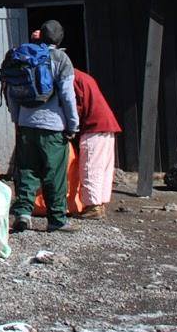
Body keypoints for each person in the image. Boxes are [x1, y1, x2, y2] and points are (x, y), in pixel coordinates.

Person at [8, 19, 78, 233]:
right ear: (59, 38)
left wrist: (17, 118)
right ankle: (56, 219)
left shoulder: (23, 56)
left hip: (26, 124)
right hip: (53, 127)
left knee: (26, 170)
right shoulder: (61, 59)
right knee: (53, 174)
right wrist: (72, 124)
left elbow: (11, 91)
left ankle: (23, 214)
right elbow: (67, 95)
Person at [72, 68, 122, 219]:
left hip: (93, 126)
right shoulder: (83, 77)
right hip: (106, 124)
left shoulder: (71, 78)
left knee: (90, 167)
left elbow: (75, 106)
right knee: (104, 167)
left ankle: (93, 206)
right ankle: (100, 203)